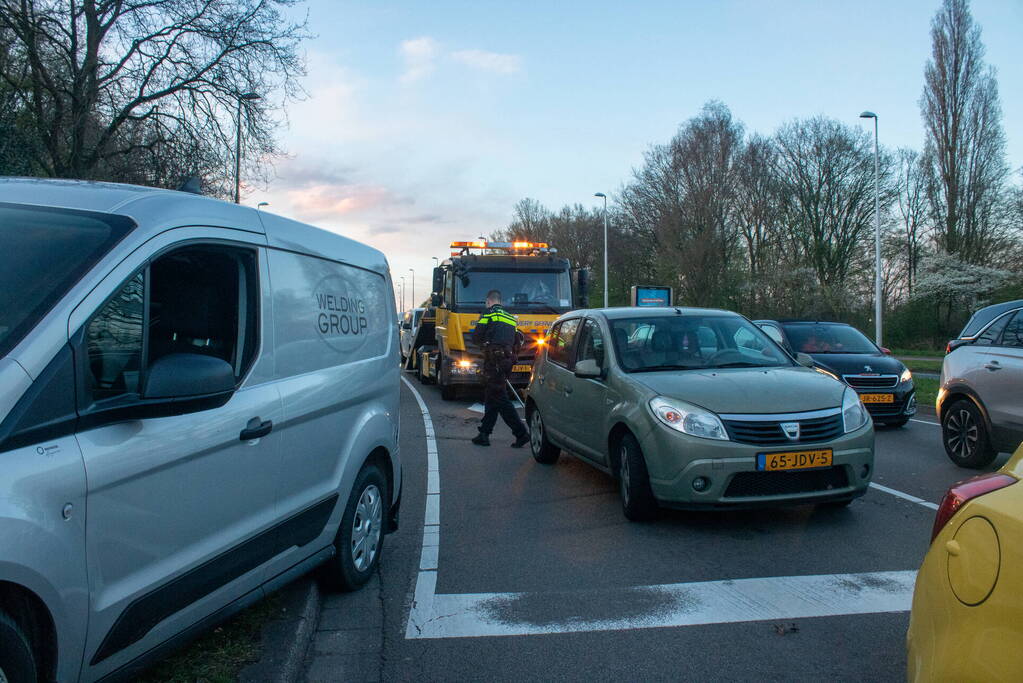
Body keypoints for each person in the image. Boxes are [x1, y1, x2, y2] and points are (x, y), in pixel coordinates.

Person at [470, 289, 530, 448]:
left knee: (500, 398)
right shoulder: (510, 318)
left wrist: (485, 343)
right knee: (492, 396)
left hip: (494, 362)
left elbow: (476, 337)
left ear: (488, 301)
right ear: (500, 301)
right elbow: (517, 341)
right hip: (506, 362)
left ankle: (521, 433)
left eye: (486, 303)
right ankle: (484, 434)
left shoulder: (488, 314)